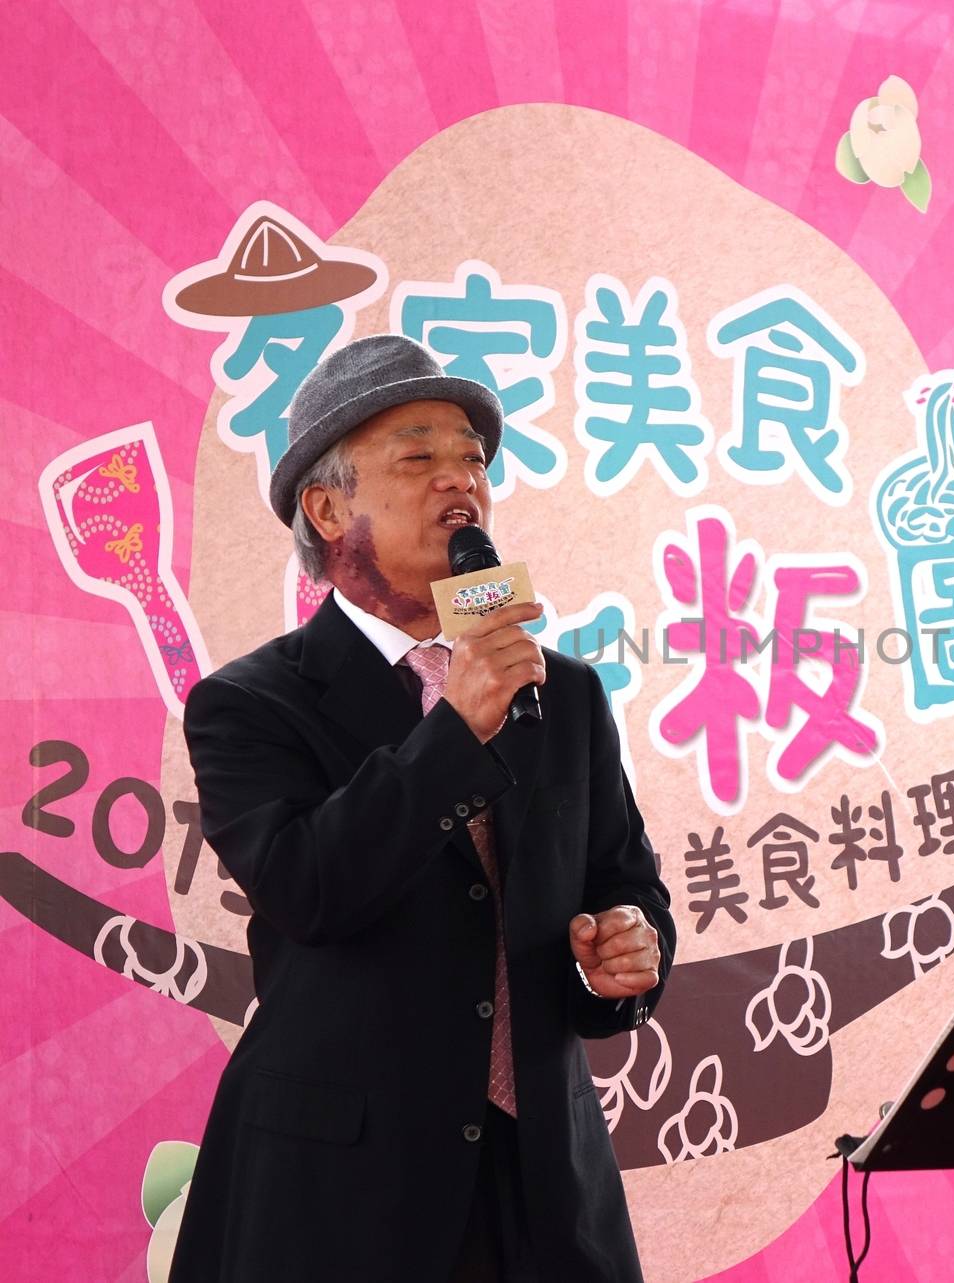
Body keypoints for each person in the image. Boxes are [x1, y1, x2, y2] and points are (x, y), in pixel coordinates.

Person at [169, 334, 674, 1283]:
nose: (463, 483)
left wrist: (630, 953)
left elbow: (626, 883)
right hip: (341, 1198)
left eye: (474, 460)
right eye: (420, 457)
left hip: (543, 1192)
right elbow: (312, 888)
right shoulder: (249, 704)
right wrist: (455, 729)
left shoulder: (558, 692)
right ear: (327, 508)